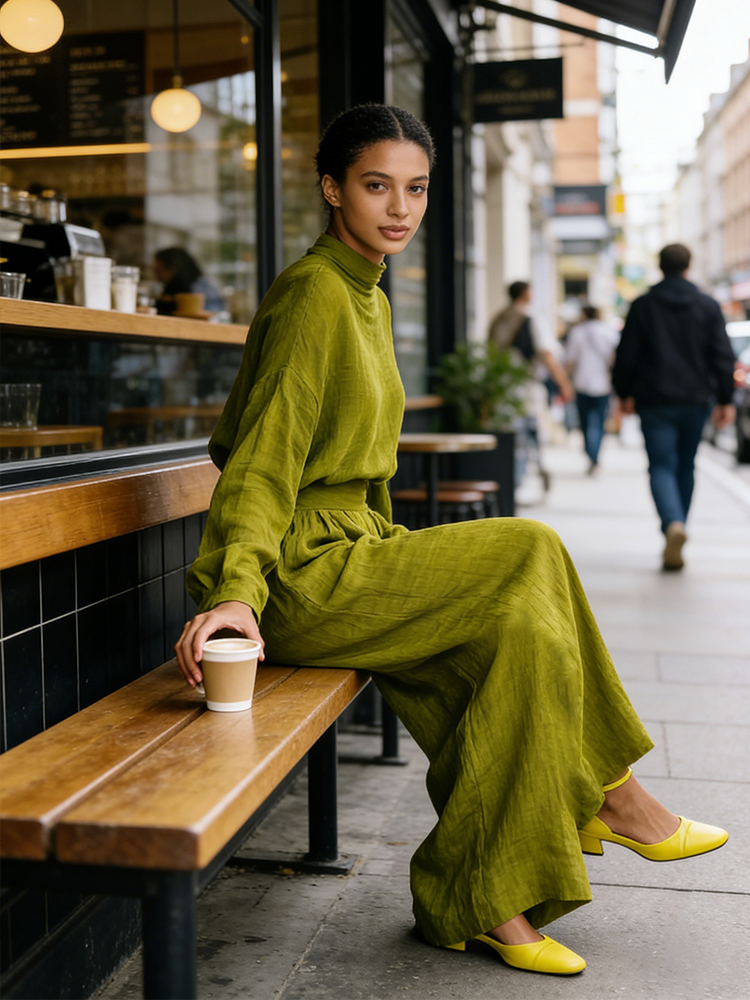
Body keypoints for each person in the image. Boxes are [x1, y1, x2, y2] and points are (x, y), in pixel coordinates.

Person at [175, 106, 727, 977]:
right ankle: (610, 796)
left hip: (350, 549)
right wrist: (236, 589)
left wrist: (396, 549)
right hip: (299, 573)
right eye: (377, 185)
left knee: (521, 638)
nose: (401, 207)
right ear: (332, 189)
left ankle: (483, 900)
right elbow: (262, 459)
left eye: (417, 188)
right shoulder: (315, 294)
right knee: (529, 548)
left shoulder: (367, 291)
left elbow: (358, 465)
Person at [612, 244, 736, 570]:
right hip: (695, 399)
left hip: (654, 400)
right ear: (688, 266)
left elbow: (627, 354)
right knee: (686, 465)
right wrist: (725, 399)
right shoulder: (707, 305)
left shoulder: (643, 305)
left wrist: (623, 393)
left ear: (660, 266)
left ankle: (672, 523)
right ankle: (679, 522)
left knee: (661, 466)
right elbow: (722, 355)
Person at [489, 282, 574, 496]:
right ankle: (520, 481)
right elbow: (547, 354)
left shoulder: (498, 318)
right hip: (527, 386)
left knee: (512, 435)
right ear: (525, 294)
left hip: (502, 386)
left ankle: (512, 485)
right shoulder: (531, 318)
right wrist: (564, 383)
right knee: (530, 433)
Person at [565, 305, 620, 474]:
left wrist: (565, 382)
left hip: (582, 384)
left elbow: (570, 361)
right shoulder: (609, 332)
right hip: (603, 385)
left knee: (585, 422)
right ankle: (594, 455)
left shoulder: (577, 333)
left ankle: (591, 454)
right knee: (599, 422)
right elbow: (616, 358)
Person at [152, 246, 225, 314]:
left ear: (172, 269)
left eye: (158, 270)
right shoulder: (203, 283)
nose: (155, 275)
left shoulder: (194, 289)